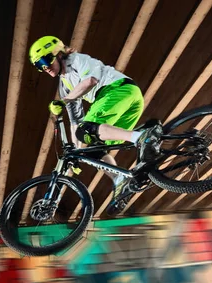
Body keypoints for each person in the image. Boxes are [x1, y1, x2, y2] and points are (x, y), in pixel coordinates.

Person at [28, 35, 163, 215]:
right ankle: (120, 179)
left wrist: (65, 100)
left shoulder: (76, 60)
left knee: (88, 128)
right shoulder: (65, 85)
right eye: (39, 66)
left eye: (45, 60)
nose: (45, 67)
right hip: (124, 100)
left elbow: (90, 80)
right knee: (94, 148)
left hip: (118, 90)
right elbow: (75, 120)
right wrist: (76, 152)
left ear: (58, 53)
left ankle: (142, 137)